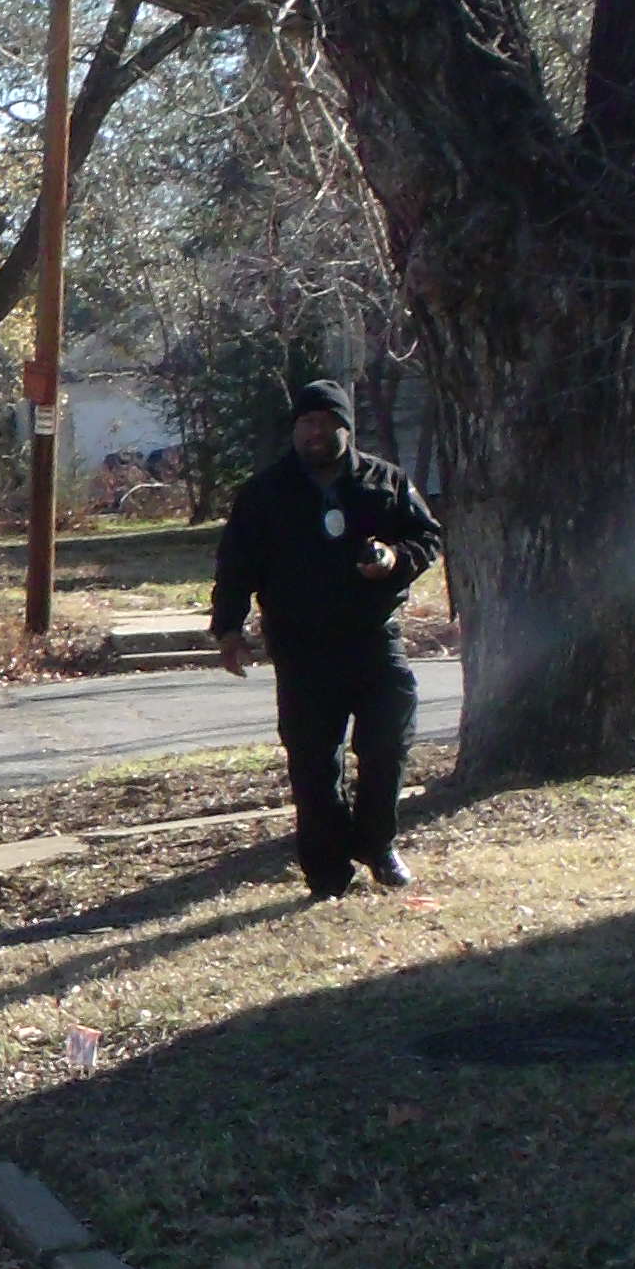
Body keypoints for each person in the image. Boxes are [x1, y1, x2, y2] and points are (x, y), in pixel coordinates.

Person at [214, 380, 444, 897]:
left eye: (325, 423)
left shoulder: (385, 481)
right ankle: (327, 871)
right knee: (313, 761)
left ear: (346, 428)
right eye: (306, 423)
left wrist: (394, 558)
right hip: (301, 646)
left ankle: (378, 845)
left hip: (373, 638)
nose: (314, 433)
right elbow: (235, 564)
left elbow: (427, 537)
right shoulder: (265, 493)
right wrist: (229, 628)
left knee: (388, 744)